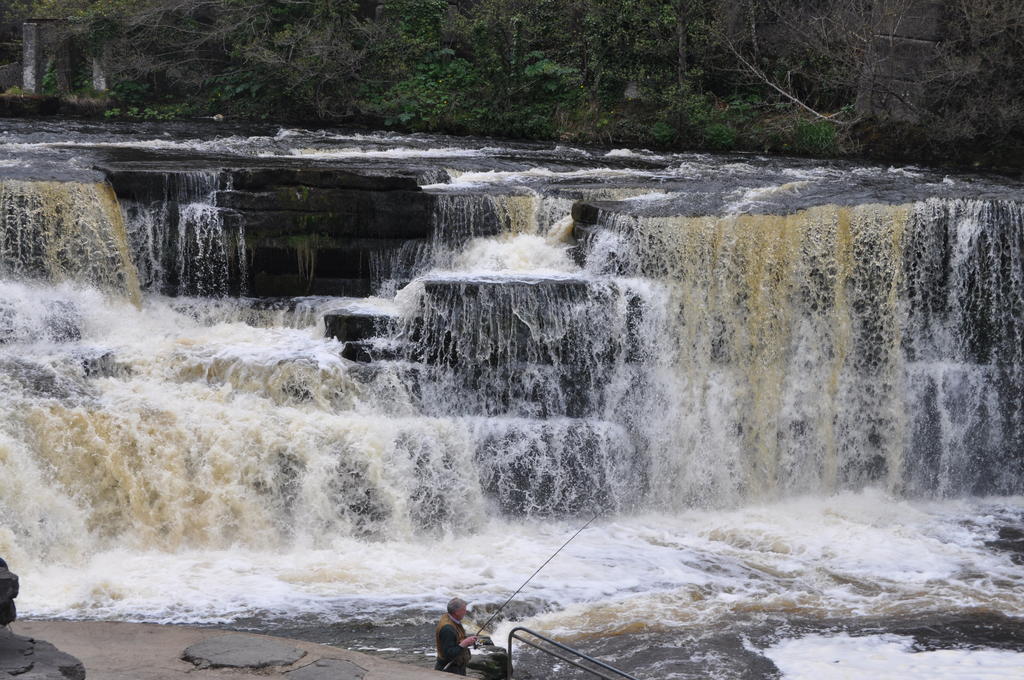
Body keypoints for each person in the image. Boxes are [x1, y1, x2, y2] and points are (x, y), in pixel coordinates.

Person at [434, 597, 477, 675]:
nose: (465, 612)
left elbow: (455, 640)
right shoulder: (447, 629)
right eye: (463, 609)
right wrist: (464, 643)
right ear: (456, 612)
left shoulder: (451, 618)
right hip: (449, 670)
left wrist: (466, 641)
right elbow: (448, 654)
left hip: (456, 667)